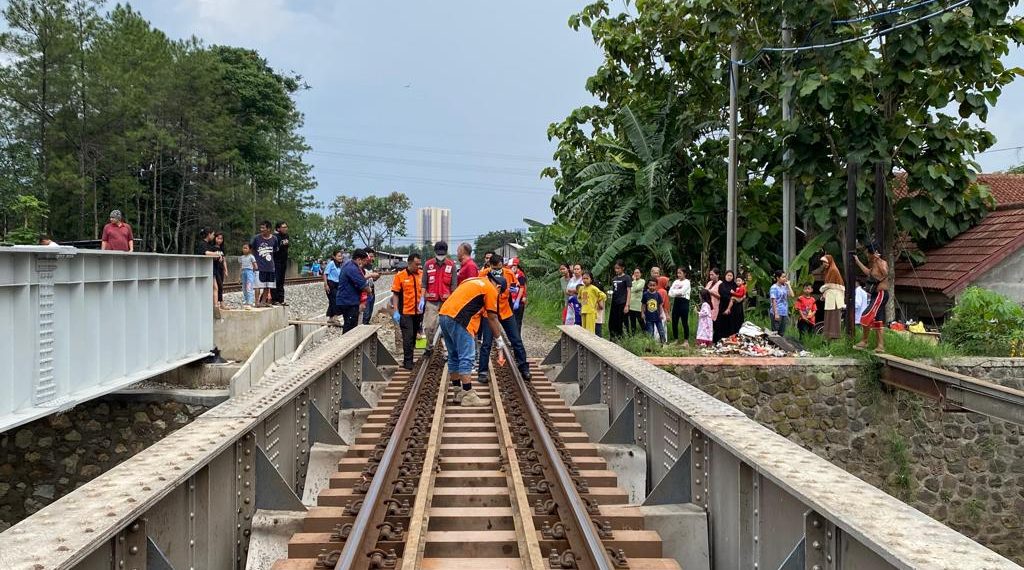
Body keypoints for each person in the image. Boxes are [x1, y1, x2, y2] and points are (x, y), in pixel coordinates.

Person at [439, 271, 508, 406]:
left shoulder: (472, 280)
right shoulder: (491, 289)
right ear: (499, 287)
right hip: (460, 320)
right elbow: (492, 318)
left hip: (444, 315)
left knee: (453, 356)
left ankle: (458, 392)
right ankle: (468, 394)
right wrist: (499, 339)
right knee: (467, 357)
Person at [477, 255, 531, 383]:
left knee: (516, 340)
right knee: (486, 343)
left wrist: (512, 290)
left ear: (502, 265)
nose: (497, 271)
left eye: (499, 268)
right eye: (494, 268)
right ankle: (482, 371)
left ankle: (524, 368)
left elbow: (516, 286)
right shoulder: (483, 274)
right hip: (489, 312)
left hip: (505, 310)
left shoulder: (509, 273)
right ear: (490, 266)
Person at [852, 242, 889, 352]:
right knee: (878, 320)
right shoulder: (873, 264)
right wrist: (857, 261)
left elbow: (885, 273)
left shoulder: (881, 262)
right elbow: (868, 272)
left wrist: (878, 260)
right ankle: (880, 346)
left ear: (873, 253)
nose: (867, 255)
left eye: (868, 253)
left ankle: (865, 341)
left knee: (865, 315)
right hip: (875, 295)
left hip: (880, 294)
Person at [421, 241, 458, 347]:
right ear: (435, 252)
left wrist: (453, 301)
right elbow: (424, 283)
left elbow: (454, 285)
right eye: (439, 254)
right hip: (431, 301)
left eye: (442, 254)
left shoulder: (451, 265)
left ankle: (447, 349)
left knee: (447, 327)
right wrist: (422, 298)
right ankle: (429, 345)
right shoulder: (428, 265)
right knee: (429, 327)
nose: (440, 256)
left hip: (446, 302)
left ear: (446, 252)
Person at [391, 253, 423, 370]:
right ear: (410, 263)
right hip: (405, 312)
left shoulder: (421, 274)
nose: (418, 266)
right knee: (408, 337)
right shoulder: (400, 276)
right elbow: (395, 294)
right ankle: (408, 362)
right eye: (416, 264)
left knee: (414, 336)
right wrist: (395, 310)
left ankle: (410, 359)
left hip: (418, 313)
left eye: (419, 264)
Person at [336, 248, 371, 332]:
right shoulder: (353, 268)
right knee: (350, 328)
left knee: (349, 325)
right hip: (349, 302)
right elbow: (363, 285)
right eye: (363, 261)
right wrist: (369, 291)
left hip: (346, 300)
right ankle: (346, 340)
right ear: (358, 259)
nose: (364, 263)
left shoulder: (349, 265)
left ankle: (346, 339)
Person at [250, 221, 279, 308]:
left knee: (267, 285)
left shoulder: (274, 239)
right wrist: (254, 262)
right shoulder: (256, 238)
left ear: (268, 229)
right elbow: (252, 249)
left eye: (263, 228)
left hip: (270, 267)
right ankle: (256, 302)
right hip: (259, 266)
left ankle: (263, 302)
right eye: (261, 227)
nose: (261, 229)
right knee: (257, 285)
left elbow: (275, 250)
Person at [819, 254, 846, 340]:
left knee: (833, 317)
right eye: (823, 262)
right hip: (831, 297)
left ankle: (834, 336)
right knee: (829, 316)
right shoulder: (828, 270)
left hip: (834, 298)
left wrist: (822, 289)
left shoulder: (833, 270)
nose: (824, 264)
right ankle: (829, 336)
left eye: (825, 262)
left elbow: (830, 285)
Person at [196, 229, 223, 309]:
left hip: (209, 269)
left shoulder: (207, 244)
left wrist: (217, 256)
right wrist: (216, 254)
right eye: (213, 234)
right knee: (215, 287)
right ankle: (215, 306)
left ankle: (215, 306)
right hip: (205, 269)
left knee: (215, 287)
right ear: (208, 234)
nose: (213, 236)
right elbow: (205, 253)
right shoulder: (202, 244)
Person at [609, 260, 632, 339]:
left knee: (623, 321)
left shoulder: (627, 278)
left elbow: (629, 291)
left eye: (618, 268)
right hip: (614, 302)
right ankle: (614, 337)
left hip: (623, 302)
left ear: (623, 268)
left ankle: (624, 337)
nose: (616, 270)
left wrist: (627, 305)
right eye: (615, 268)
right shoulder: (614, 278)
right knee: (613, 321)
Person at [668, 268, 691, 345]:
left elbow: (682, 292)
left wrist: (675, 292)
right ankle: (676, 339)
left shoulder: (687, 282)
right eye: (677, 273)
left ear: (684, 273)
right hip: (676, 302)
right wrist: (677, 293)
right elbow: (670, 293)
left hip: (684, 302)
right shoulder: (675, 282)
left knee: (684, 322)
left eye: (680, 273)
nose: (678, 274)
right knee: (674, 321)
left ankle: (686, 341)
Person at [769, 271, 794, 336]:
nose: (785, 278)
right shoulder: (774, 287)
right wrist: (776, 313)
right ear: (778, 278)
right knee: (775, 332)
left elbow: (792, 295)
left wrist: (788, 285)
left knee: (781, 332)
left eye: (785, 277)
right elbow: (773, 301)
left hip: (784, 312)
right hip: (777, 311)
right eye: (783, 277)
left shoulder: (784, 287)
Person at [713, 270, 736, 342]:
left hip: (732, 308)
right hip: (723, 306)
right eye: (728, 275)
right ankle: (718, 340)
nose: (729, 277)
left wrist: (732, 296)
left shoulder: (735, 285)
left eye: (731, 276)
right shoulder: (722, 285)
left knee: (731, 324)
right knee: (720, 323)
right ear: (725, 276)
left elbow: (738, 294)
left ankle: (729, 341)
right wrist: (731, 296)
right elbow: (722, 294)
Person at [271, 222, 290, 305]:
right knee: (276, 280)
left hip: (284, 261)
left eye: (286, 227)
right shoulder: (275, 237)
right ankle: (274, 299)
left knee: (281, 281)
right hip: (276, 261)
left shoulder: (286, 236)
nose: (285, 229)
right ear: (278, 228)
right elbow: (274, 248)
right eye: (283, 227)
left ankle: (281, 299)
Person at [323, 250, 344, 326]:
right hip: (330, 284)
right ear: (334, 257)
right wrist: (326, 285)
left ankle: (331, 318)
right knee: (335, 301)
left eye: (341, 256)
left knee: (332, 301)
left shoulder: (339, 265)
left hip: (337, 285)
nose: (340, 257)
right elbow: (325, 274)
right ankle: (335, 318)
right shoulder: (331, 263)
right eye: (339, 256)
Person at [641, 279, 666, 343]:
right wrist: (642, 313)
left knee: (661, 331)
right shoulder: (645, 294)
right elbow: (643, 305)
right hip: (648, 317)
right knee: (650, 332)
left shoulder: (658, 294)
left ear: (656, 286)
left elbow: (660, 305)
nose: (652, 287)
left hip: (658, 317)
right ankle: (651, 344)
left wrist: (661, 314)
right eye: (650, 285)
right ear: (648, 285)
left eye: (654, 285)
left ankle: (663, 343)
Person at [509, 258, 527, 333]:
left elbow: (522, 288)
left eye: (511, 267)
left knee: (517, 322)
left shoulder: (520, 275)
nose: (510, 269)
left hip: (518, 302)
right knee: (512, 321)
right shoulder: (512, 274)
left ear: (516, 266)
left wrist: (517, 300)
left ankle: (517, 337)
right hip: (512, 300)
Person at [362, 247, 379, 325]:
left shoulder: (370, 266)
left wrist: (376, 277)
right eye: (371, 256)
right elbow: (361, 279)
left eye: (373, 256)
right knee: (366, 310)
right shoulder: (361, 266)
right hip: (365, 290)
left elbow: (372, 279)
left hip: (371, 289)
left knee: (370, 309)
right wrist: (371, 275)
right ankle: (363, 325)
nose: (372, 258)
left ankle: (367, 323)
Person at [704, 268, 722, 341]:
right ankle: (707, 339)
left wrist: (711, 292)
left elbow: (721, 296)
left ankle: (716, 340)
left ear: (717, 275)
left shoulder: (721, 284)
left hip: (716, 305)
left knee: (715, 324)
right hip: (708, 305)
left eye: (712, 275)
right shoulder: (709, 283)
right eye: (710, 275)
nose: (711, 276)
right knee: (708, 323)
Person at [212, 232, 228, 309]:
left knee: (221, 286)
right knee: (219, 286)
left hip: (221, 269)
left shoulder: (222, 249)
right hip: (215, 268)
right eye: (218, 238)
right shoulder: (212, 248)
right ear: (215, 238)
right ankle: (220, 303)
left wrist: (226, 269)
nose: (219, 240)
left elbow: (224, 260)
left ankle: (220, 302)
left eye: (221, 239)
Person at [239, 244, 257, 309]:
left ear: (249, 249)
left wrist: (252, 272)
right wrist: (239, 276)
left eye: (246, 248)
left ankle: (250, 302)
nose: (244, 249)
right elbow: (240, 267)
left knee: (249, 287)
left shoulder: (251, 257)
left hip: (249, 272)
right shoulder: (241, 257)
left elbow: (255, 266)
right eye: (243, 248)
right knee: (244, 287)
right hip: (243, 272)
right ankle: (245, 301)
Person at [627, 268, 644, 334]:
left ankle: (646, 334)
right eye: (635, 273)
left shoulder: (642, 281)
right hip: (631, 305)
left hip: (638, 305)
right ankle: (633, 335)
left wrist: (634, 281)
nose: (636, 274)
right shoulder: (632, 282)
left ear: (640, 274)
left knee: (641, 320)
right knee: (632, 321)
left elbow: (636, 288)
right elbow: (630, 291)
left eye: (637, 273)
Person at [656, 275, 670, 343]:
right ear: (663, 282)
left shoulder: (657, 290)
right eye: (667, 282)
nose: (668, 284)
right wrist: (667, 315)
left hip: (657, 311)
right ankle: (662, 341)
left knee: (657, 327)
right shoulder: (663, 291)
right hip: (662, 312)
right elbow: (662, 304)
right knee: (662, 327)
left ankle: (657, 341)